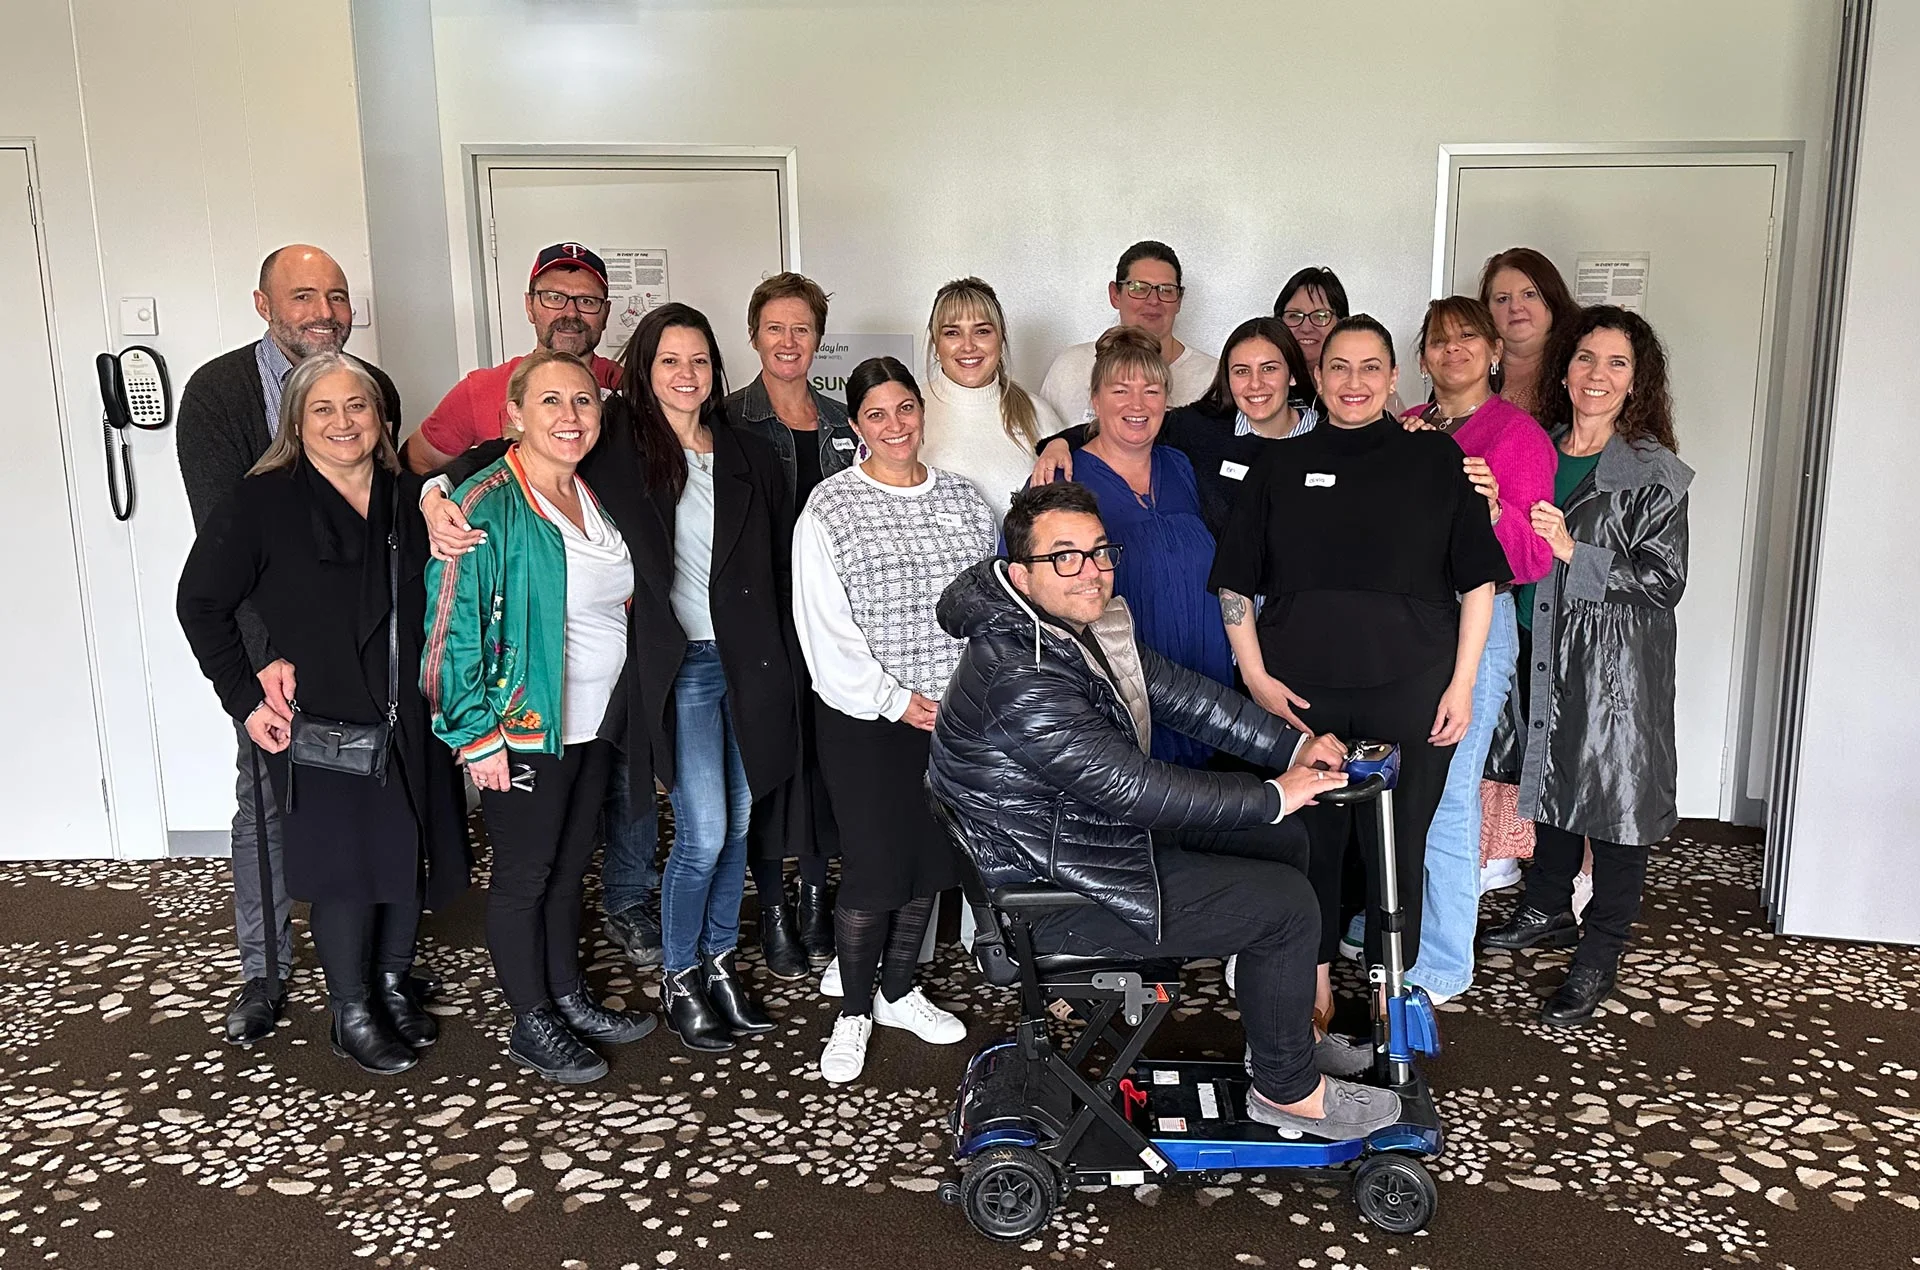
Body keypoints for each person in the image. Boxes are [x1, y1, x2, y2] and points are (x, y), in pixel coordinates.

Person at [929, 483, 1402, 1139]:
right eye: (1065, 557)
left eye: (1099, 552)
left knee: (1286, 845)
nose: (1091, 571)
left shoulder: (1067, 628)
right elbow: (1133, 788)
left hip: (1082, 841)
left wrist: (1296, 746)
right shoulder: (1022, 676)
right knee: (1285, 905)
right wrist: (1273, 792)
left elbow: (1185, 698)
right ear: (1020, 574)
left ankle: (1281, 1047)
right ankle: (1287, 1092)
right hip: (1057, 893)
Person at [424, 309, 804, 1052]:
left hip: (651, 695)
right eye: (669, 360)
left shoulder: (738, 450)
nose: (686, 374)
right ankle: (672, 978)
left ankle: (710, 966)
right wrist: (431, 495)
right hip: (661, 677)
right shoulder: (616, 448)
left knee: (719, 828)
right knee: (696, 834)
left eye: (700, 359)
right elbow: (477, 474)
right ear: (640, 372)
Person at [1209, 315, 1511, 1027]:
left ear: (1395, 379)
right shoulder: (1277, 466)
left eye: (1370, 367)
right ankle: (1308, 980)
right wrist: (1253, 678)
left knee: (1400, 841)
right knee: (1308, 837)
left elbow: (1479, 585)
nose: (1353, 382)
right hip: (1300, 692)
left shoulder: (1439, 463)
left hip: (1412, 689)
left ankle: (1388, 983)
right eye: (1339, 367)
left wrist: (1463, 684)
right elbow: (1233, 585)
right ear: (1318, 377)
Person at [177, 353, 467, 1075]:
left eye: (358, 407)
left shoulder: (406, 496)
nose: (344, 423)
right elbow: (200, 603)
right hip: (324, 720)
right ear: (295, 423)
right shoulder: (262, 501)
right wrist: (243, 698)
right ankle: (351, 1010)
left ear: (381, 417)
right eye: (324, 410)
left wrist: (434, 488)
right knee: (347, 869)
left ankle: (394, 980)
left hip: (410, 711)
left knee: (406, 847)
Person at [174, 243, 409, 1047]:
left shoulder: (370, 401)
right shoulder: (219, 394)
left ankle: (379, 972)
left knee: (374, 817)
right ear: (263, 303)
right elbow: (228, 545)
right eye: (303, 296)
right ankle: (264, 974)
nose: (323, 312)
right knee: (270, 810)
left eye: (337, 296)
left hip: (364, 667)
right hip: (278, 660)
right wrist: (258, 674)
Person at [423, 350, 657, 1084]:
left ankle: (564, 994)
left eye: (583, 402)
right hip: (520, 727)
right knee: (525, 876)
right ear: (514, 415)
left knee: (566, 871)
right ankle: (531, 1021)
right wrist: (473, 733)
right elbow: (449, 630)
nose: (570, 416)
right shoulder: (487, 502)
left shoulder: (593, 493)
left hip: (590, 724)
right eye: (550, 402)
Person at [1482, 306, 1691, 1026]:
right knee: (1552, 777)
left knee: (1615, 808)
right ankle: (1544, 908)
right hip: (1540, 645)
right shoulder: (1535, 447)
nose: (1597, 376)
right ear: (1563, 368)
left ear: (1636, 383)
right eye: (1585, 359)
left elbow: (1665, 582)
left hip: (1615, 667)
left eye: (1617, 363)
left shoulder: (1653, 470)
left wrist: (1577, 553)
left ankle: (1600, 954)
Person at [791, 357, 998, 1085]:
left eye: (905, 408)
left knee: (925, 863)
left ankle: (899, 990)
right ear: (856, 428)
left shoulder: (968, 502)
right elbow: (824, 626)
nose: (895, 425)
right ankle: (852, 1011)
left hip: (955, 719)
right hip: (867, 719)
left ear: (921, 411)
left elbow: (992, 611)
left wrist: (969, 698)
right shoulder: (830, 507)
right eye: (877, 414)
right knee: (877, 866)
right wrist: (894, 699)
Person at [1392, 297, 1558, 1004]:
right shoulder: (1404, 430)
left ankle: (1442, 963)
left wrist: (1493, 513)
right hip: (1406, 628)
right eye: (1438, 340)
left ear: (1493, 350)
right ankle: (1393, 932)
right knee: (1399, 788)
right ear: (1422, 357)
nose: (1452, 350)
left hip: (1478, 630)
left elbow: (1535, 561)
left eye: (1466, 337)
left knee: (1450, 794)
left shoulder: (1517, 437)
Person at [723, 272, 855, 976]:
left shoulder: (843, 423)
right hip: (757, 618)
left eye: (802, 328)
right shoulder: (729, 420)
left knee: (825, 763)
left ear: (818, 339)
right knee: (770, 764)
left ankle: (814, 899)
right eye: (775, 327)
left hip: (829, 619)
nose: (788, 341)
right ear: (754, 335)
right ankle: (772, 907)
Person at [1033, 327, 1231, 767]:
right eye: (1120, 390)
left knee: (1215, 818)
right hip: (1127, 689)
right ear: (1096, 399)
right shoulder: (1063, 479)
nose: (1137, 405)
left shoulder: (1180, 465)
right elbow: (1039, 597)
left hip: (1208, 680)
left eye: (1151, 390)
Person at [1029, 316, 1320, 536]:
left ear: (1292, 374)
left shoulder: (1330, 440)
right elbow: (1132, 425)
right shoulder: (1201, 428)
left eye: (1269, 368)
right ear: (1228, 380)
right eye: (1241, 371)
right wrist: (1061, 443)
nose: (1255, 384)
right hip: (1229, 608)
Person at [402, 243, 624, 474]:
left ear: (606, 313)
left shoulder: (631, 387)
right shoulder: (480, 390)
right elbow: (418, 462)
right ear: (530, 306)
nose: (570, 313)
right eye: (554, 297)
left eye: (587, 301)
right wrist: (435, 498)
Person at [920, 276, 1065, 522]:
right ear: (936, 344)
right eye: (952, 333)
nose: (968, 346)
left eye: (982, 331)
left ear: (1001, 338)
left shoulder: (1039, 414)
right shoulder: (905, 413)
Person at [1038, 241, 1218, 426]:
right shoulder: (1070, 367)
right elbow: (1046, 444)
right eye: (1138, 288)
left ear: (1178, 300)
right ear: (1115, 295)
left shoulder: (1213, 377)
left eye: (1166, 290)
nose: (1153, 300)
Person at [1477, 247, 1581, 418]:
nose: (1516, 307)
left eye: (1529, 294)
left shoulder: (1580, 369)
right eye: (1503, 299)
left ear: (1552, 299)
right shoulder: (1468, 367)